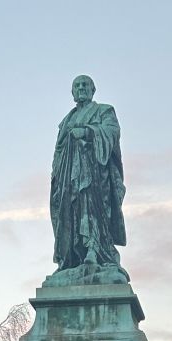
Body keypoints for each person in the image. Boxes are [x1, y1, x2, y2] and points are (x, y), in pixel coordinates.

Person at [50, 75, 127, 276]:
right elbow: (58, 150)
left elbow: (112, 132)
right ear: (72, 92)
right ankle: (71, 258)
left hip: (93, 172)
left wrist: (86, 132)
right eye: (77, 85)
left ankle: (94, 250)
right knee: (69, 213)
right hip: (68, 176)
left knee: (92, 209)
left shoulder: (104, 111)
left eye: (85, 84)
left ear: (93, 90)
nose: (81, 87)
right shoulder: (65, 120)